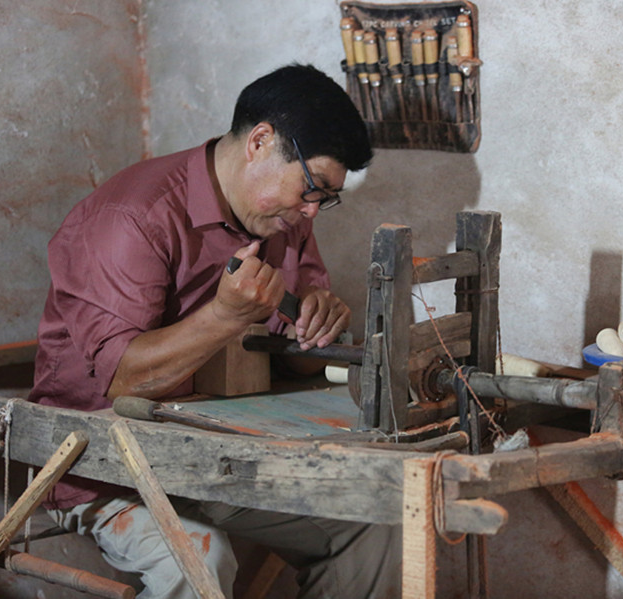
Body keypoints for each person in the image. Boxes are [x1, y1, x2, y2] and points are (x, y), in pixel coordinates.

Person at [28, 64, 400, 598]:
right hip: (105, 465)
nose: (312, 211)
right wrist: (225, 316)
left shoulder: (284, 219)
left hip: (216, 458)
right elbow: (123, 380)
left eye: (327, 197)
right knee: (199, 558)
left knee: (372, 523)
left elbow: (296, 359)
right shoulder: (133, 216)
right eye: (310, 188)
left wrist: (315, 328)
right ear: (260, 142)